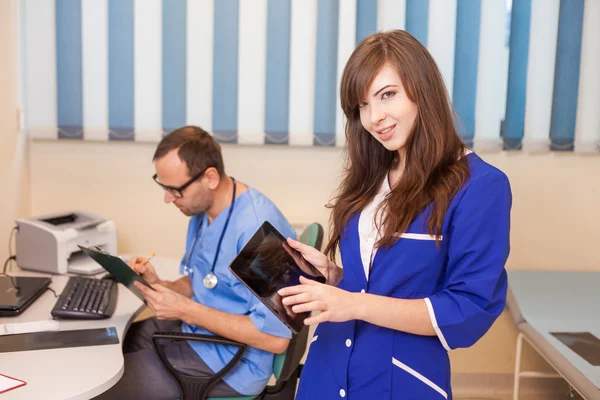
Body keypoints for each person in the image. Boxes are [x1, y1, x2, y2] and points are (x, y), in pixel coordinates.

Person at [278, 30, 512, 399]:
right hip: (324, 371)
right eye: (362, 105)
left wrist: (354, 303)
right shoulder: (371, 176)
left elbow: (469, 308)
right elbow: (384, 279)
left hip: (398, 381)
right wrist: (335, 277)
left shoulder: (480, 185)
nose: (375, 118)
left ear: (422, 89)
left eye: (387, 95)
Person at [96, 126, 296, 399]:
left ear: (210, 177)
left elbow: (275, 339)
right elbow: (199, 281)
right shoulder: (203, 213)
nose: (168, 199)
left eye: (175, 190)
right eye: (163, 187)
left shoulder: (258, 230)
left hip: (233, 361)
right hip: (198, 333)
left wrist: (184, 310)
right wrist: (158, 284)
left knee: (104, 386)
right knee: (111, 345)